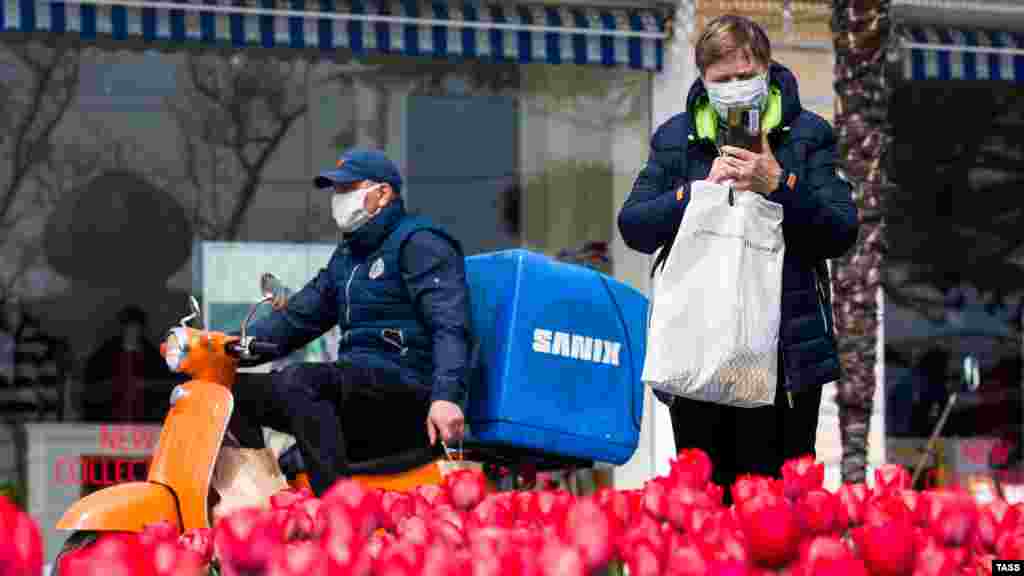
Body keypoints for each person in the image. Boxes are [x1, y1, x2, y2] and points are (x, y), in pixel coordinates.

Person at [617, 15, 859, 495]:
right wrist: (696, 192)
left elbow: (840, 230)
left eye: (744, 77)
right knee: (705, 501)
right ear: (703, 82)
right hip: (700, 354)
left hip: (784, 361)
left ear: (766, 70)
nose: (734, 89)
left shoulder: (808, 135)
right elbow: (635, 226)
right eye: (721, 81)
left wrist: (779, 184)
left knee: (779, 507)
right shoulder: (677, 137)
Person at [228, 148, 472, 496]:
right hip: (358, 393)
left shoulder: (420, 243)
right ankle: (265, 500)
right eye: (336, 191)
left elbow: (451, 324)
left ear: (383, 193)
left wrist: (446, 396)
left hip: (406, 396)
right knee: (233, 393)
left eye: (348, 188)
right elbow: (296, 319)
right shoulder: (347, 257)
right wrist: (224, 347)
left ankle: (339, 510)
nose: (339, 199)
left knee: (301, 380)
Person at [83, 306, 173, 422]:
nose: (132, 331)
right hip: (109, 421)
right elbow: (91, 389)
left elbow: (164, 387)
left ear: (142, 329)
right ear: (122, 328)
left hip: (145, 423)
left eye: (136, 327)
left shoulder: (153, 357)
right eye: (128, 327)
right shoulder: (104, 355)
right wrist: (113, 385)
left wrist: (146, 386)